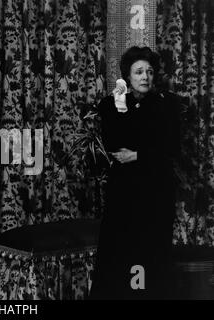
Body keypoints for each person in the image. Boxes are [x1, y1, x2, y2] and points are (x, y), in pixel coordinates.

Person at [90, 46, 181, 300]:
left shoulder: (168, 104)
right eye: (139, 72)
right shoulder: (111, 105)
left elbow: (172, 147)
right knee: (119, 252)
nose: (145, 77)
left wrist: (138, 155)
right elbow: (114, 144)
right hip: (124, 192)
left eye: (150, 72)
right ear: (127, 77)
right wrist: (121, 107)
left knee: (152, 252)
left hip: (156, 192)